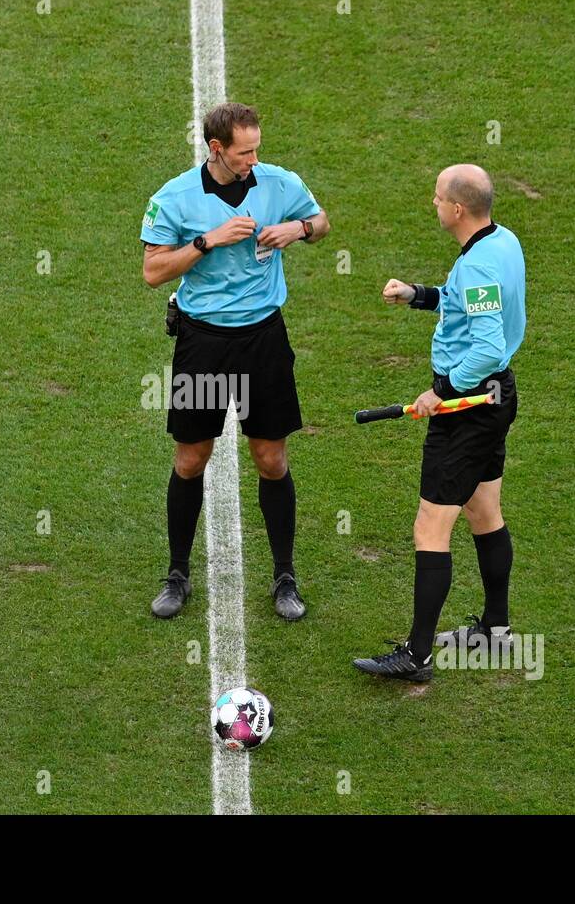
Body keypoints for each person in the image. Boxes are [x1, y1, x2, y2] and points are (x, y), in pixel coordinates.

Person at [140, 102, 330, 621]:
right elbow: (154, 272)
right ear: (216, 149)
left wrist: (299, 231)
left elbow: (321, 221)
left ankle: (285, 575)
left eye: (257, 149)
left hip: (264, 341)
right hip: (204, 345)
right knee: (191, 459)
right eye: (245, 152)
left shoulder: (279, 183)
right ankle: (177, 574)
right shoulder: (175, 198)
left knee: (271, 459)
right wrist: (207, 241)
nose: (254, 159)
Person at [353, 164, 525, 680]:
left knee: (430, 526)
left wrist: (442, 391)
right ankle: (496, 632)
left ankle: (417, 655)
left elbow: (487, 344)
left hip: (467, 408)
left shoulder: (476, 266)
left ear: (456, 209)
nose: (433, 204)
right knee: (483, 510)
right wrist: (417, 295)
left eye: (436, 198)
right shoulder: (501, 242)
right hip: (498, 397)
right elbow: (471, 307)